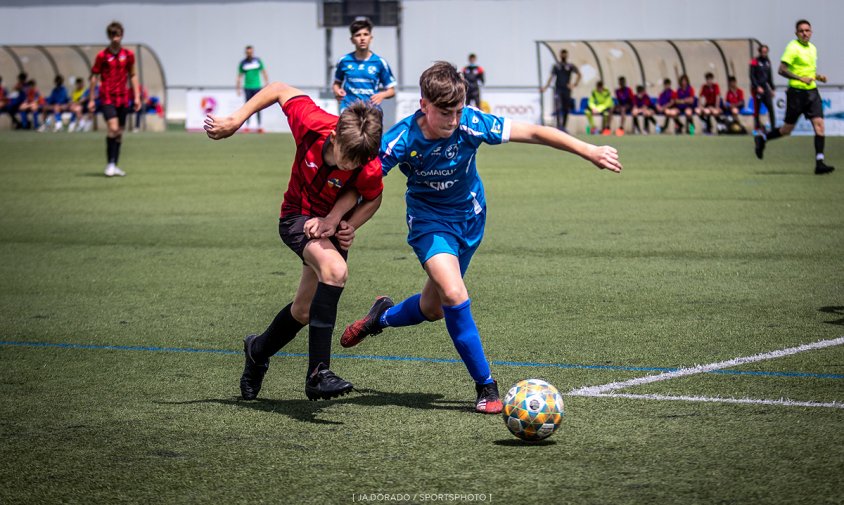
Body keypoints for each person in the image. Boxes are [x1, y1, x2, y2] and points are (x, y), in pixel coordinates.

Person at [340, 61, 622, 414]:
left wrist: (589, 150)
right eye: (445, 113)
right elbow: (362, 184)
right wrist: (338, 219)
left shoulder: (472, 122)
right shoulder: (401, 139)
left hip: (471, 220)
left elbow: (533, 132)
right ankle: (487, 387)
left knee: (433, 308)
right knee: (456, 294)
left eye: (458, 111)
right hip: (429, 223)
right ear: (423, 105)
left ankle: (378, 318)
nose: (454, 120)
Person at [204, 81, 384, 402]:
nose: (352, 167)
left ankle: (257, 351)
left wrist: (348, 225)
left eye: (359, 162)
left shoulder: (366, 159)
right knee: (335, 270)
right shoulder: (312, 122)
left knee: (303, 311)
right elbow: (277, 88)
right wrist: (236, 119)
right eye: (347, 159)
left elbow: (373, 197)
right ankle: (318, 374)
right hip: (296, 216)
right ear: (333, 137)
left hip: (329, 227)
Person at [755, 20, 834, 174]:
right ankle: (762, 139)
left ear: (811, 32)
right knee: (786, 130)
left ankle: (819, 163)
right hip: (796, 94)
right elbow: (781, 70)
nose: (805, 33)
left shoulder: (813, 48)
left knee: (819, 125)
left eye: (807, 30)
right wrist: (799, 78)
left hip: (812, 93)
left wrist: (818, 77)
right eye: (801, 31)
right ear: (796, 33)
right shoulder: (792, 47)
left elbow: (808, 72)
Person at [89, 21, 141, 177]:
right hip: (107, 97)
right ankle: (110, 164)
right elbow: (94, 77)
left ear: (122, 35)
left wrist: (137, 96)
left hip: (123, 98)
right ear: (109, 36)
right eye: (113, 35)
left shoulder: (129, 55)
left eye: (118, 35)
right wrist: (91, 98)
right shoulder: (102, 56)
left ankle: (114, 164)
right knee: (112, 128)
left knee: (119, 132)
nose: (115, 38)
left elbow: (132, 75)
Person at [333, 17, 396, 113]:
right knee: (350, 128)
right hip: (349, 108)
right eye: (358, 35)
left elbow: (391, 90)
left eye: (366, 34)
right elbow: (336, 83)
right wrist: (337, 91)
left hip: (371, 110)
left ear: (371, 38)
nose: (362, 38)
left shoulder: (380, 62)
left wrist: (381, 95)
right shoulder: (344, 61)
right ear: (352, 40)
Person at [540, 49, 580, 132]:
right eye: (562, 54)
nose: (563, 56)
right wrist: (545, 87)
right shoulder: (556, 66)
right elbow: (551, 77)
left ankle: (564, 127)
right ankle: (559, 126)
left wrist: (574, 84)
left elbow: (579, 74)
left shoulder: (570, 66)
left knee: (566, 108)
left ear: (567, 55)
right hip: (558, 89)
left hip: (567, 90)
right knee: (558, 107)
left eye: (565, 54)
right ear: (560, 55)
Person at [236, 45, 269, 132]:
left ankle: (259, 126)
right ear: (246, 53)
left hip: (257, 87)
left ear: (253, 52)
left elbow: (264, 72)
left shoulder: (258, 61)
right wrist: (238, 88)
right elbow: (239, 76)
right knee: (247, 108)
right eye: (248, 52)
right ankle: (247, 126)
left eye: (251, 52)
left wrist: (266, 84)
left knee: (258, 107)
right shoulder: (243, 63)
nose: (249, 54)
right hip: (247, 87)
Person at [750, 44, 776, 132]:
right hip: (756, 89)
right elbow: (752, 76)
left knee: (770, 107)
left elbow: (769, 77)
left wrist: (772, 89)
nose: (764, 53)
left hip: (765, 88)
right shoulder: (754, 61)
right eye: (763, 52)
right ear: (760, 52)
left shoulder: (768, 61)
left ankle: (773, 128)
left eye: (766, 52)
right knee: (757, 109)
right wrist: (757, 87)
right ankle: (757, 127)